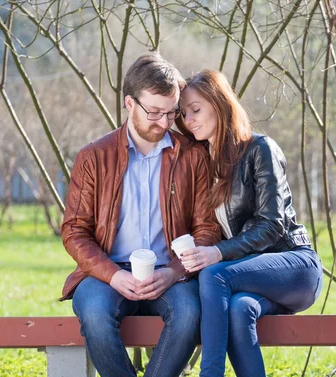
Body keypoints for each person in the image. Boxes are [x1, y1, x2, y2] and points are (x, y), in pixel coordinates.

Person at [60, 54, 221, 377]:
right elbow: (75, 231)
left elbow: (207, 229)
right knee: (93, 311)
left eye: (171, 112)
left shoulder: (192, 155)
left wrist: (175, 271)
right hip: (108, 272)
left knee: (189, 312)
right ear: (130, 104)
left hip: (171, 274)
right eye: (154, 112)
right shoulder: (94, 157)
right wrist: (113, 275)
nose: (164, 123)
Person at [176, 69, 323, 377]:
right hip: (250, 278)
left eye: (196, 109)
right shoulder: (204, 161)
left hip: (294, 265)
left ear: (219, 103)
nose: (189, 119)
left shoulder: (260, 149)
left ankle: (211, 373)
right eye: (183, 113)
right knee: (241, 310)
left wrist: (217, 253)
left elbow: (273, 225)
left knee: (213, 275)